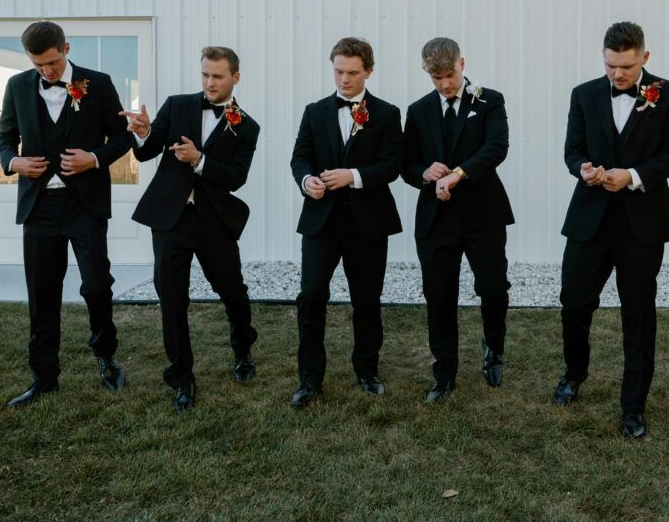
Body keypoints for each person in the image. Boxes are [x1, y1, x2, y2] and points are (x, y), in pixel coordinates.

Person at [553, 22, 669, 438]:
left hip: (642, 224)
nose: (618, 75)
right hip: (589, 220)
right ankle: (574, 374)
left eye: (627, 67)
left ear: (644, 58)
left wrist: (631, 175)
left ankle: (633, 406)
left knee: (639, 314)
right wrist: (585, 169)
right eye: (611, 65)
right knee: (574, 303)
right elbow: (572, 150)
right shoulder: (583, 94)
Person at [0, 20, 133, 409]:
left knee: (96, 285)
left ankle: (106, 357)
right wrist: (13, 162)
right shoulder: (18, 86)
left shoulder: (99, 83)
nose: (47, 72)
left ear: (67, 49)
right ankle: (44, 377)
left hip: (84, 205)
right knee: (42, 293)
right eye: (39, 65)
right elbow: (4, 138)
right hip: (39, 207)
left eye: (52, 63)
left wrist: (95, 158)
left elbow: (122, 137)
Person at [125, 46, 261, 412]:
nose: (210, 82)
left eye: (217, 76)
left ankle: (243, 349)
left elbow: (236, 178)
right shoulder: (178, 104)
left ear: (236, 77)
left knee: (232, 290)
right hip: (170, 218)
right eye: (205, 75)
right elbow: (147, 151)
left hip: (215, 220)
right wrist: (142, 131)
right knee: (172, 299)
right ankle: (182, 378)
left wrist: (200, 160)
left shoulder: (247, 126)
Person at [288, 37, 403, 408]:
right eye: (338, 71)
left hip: (368, 223)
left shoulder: (386, 113)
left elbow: (392, 165)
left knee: (367, 300)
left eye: (353, 73)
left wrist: (352, 175)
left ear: (369, 71)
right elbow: (300, 158)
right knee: (311, 297)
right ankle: (309, 378)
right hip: (321, 222)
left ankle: (367, 370)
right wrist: (308, 182)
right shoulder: (315, 111)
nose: (344, 79)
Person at [403, 37, 514, 403]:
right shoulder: (418, 111)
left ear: (462, 64)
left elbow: (496, 148)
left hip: (483, 214)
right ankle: (444, 372)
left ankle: (493, 347)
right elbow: (406, 163)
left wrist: (459, 173)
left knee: (494, 288)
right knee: (439, 296)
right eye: (436, 78)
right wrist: (424, 171)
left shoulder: (489, 100)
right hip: (436, 220)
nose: (445, 84)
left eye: (449, 75)